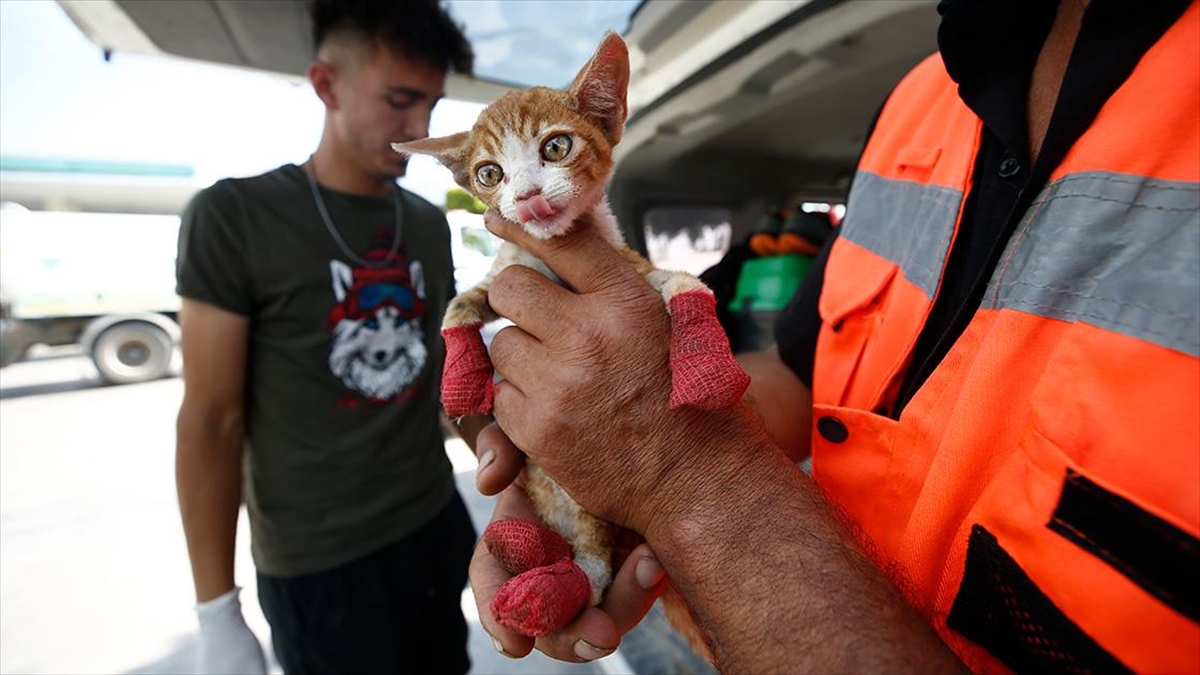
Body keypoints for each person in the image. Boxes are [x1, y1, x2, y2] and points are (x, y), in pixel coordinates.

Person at [468, 0, 1199, 673]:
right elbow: (797, 372)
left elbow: (686, 462)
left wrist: (674, 474)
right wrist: (579, 466)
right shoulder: (920, 101)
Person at [174, 1, 487, 673]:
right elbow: (210, 420)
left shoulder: (428, 225)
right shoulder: (235, 217)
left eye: (432, 104)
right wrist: (215, 610)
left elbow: (445, 375)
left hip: (433, 523)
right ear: (326, 85)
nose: (421, 129)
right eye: (400, 101)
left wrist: (513, 463)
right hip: (322, 561)